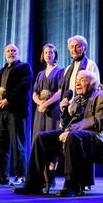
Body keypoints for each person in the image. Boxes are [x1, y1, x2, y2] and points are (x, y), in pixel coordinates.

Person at [13, 70, 103, 197]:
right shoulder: (77, 99)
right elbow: (67, 124)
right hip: (75, 136)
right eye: (77, 80)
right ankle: (33, 184)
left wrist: (71, 131)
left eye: (82, 80)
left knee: (72, 136)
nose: (78, 83)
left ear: (93, 84)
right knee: (42, 138)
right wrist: (64, 110)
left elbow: (98, 122)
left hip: (96, 141)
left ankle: (71, 186)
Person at [59, 34, 100, 191]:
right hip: (72, 110)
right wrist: (64, 103)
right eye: (72, 47)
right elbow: (66, 90)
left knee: (82, 140)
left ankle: (84, 182)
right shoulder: (68, 69)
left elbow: (95, 86)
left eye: (78, 46)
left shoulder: (90, 65)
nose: (74, 49)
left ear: (84, 48)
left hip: (86, 108)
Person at [0, 44, 33, 187]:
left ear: (18, 53)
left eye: (13, 50)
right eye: (8, 50)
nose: (11, 52)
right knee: (0, 144)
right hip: (1, 112)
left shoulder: (24, 67)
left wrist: (8, 99)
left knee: (18, 145)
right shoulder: (2, 70)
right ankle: (2, 176)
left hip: (16, 111)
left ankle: (20, 176)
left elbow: (24, 85)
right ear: (4, 53)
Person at [31, 43, 65, 190]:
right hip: (40, 112)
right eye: (45, 53)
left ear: (55, 54)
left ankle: (50, 177)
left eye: (51, 52)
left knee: (52, 143)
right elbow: (34, 93)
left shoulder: (60, 71)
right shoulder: (39, 74)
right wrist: (40, 103)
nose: (48, 55)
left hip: (54, 111)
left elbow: (60, 91)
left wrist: (47, 104)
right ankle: (39, 177)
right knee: (38, 141)